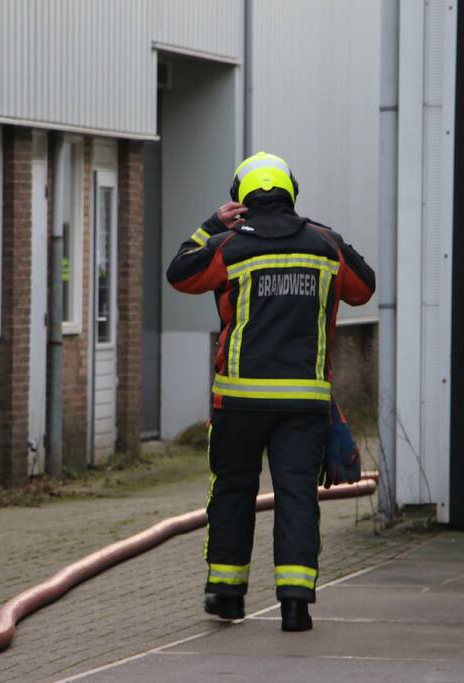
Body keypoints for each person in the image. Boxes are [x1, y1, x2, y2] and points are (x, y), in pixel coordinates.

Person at [166, 152, 376, 631]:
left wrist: (207, 225)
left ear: (240, 198)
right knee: (298, 496)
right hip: (304, 403)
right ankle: (296, 605)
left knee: (233, 491)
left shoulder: (227, 246)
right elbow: (364, 287)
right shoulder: (325, 245)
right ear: (291, 192)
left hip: (237, 401)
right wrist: (323, 233)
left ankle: (227, 594)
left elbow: (179, 274)